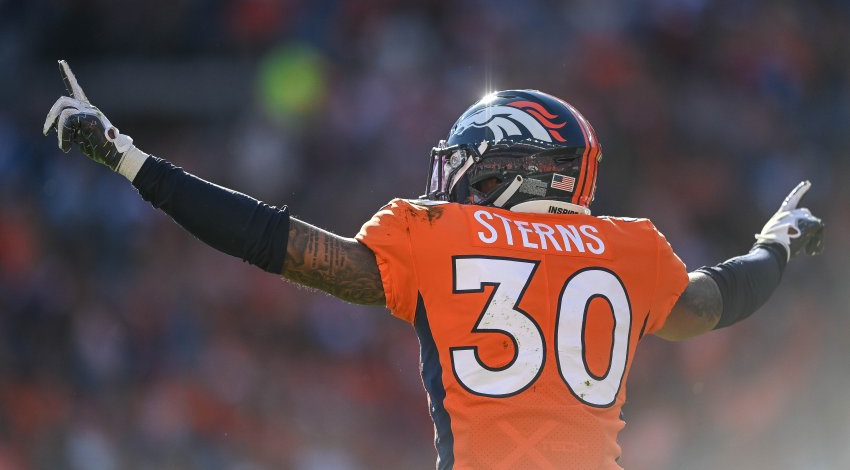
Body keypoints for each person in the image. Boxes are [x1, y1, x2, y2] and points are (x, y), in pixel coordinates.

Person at [43, 61, 824, 469]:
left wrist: (131, 161)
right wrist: (777, 244)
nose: (452, 177)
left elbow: (274, 243)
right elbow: (717, 300)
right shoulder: (633, 250)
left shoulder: (434, 233)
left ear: (513, 167)